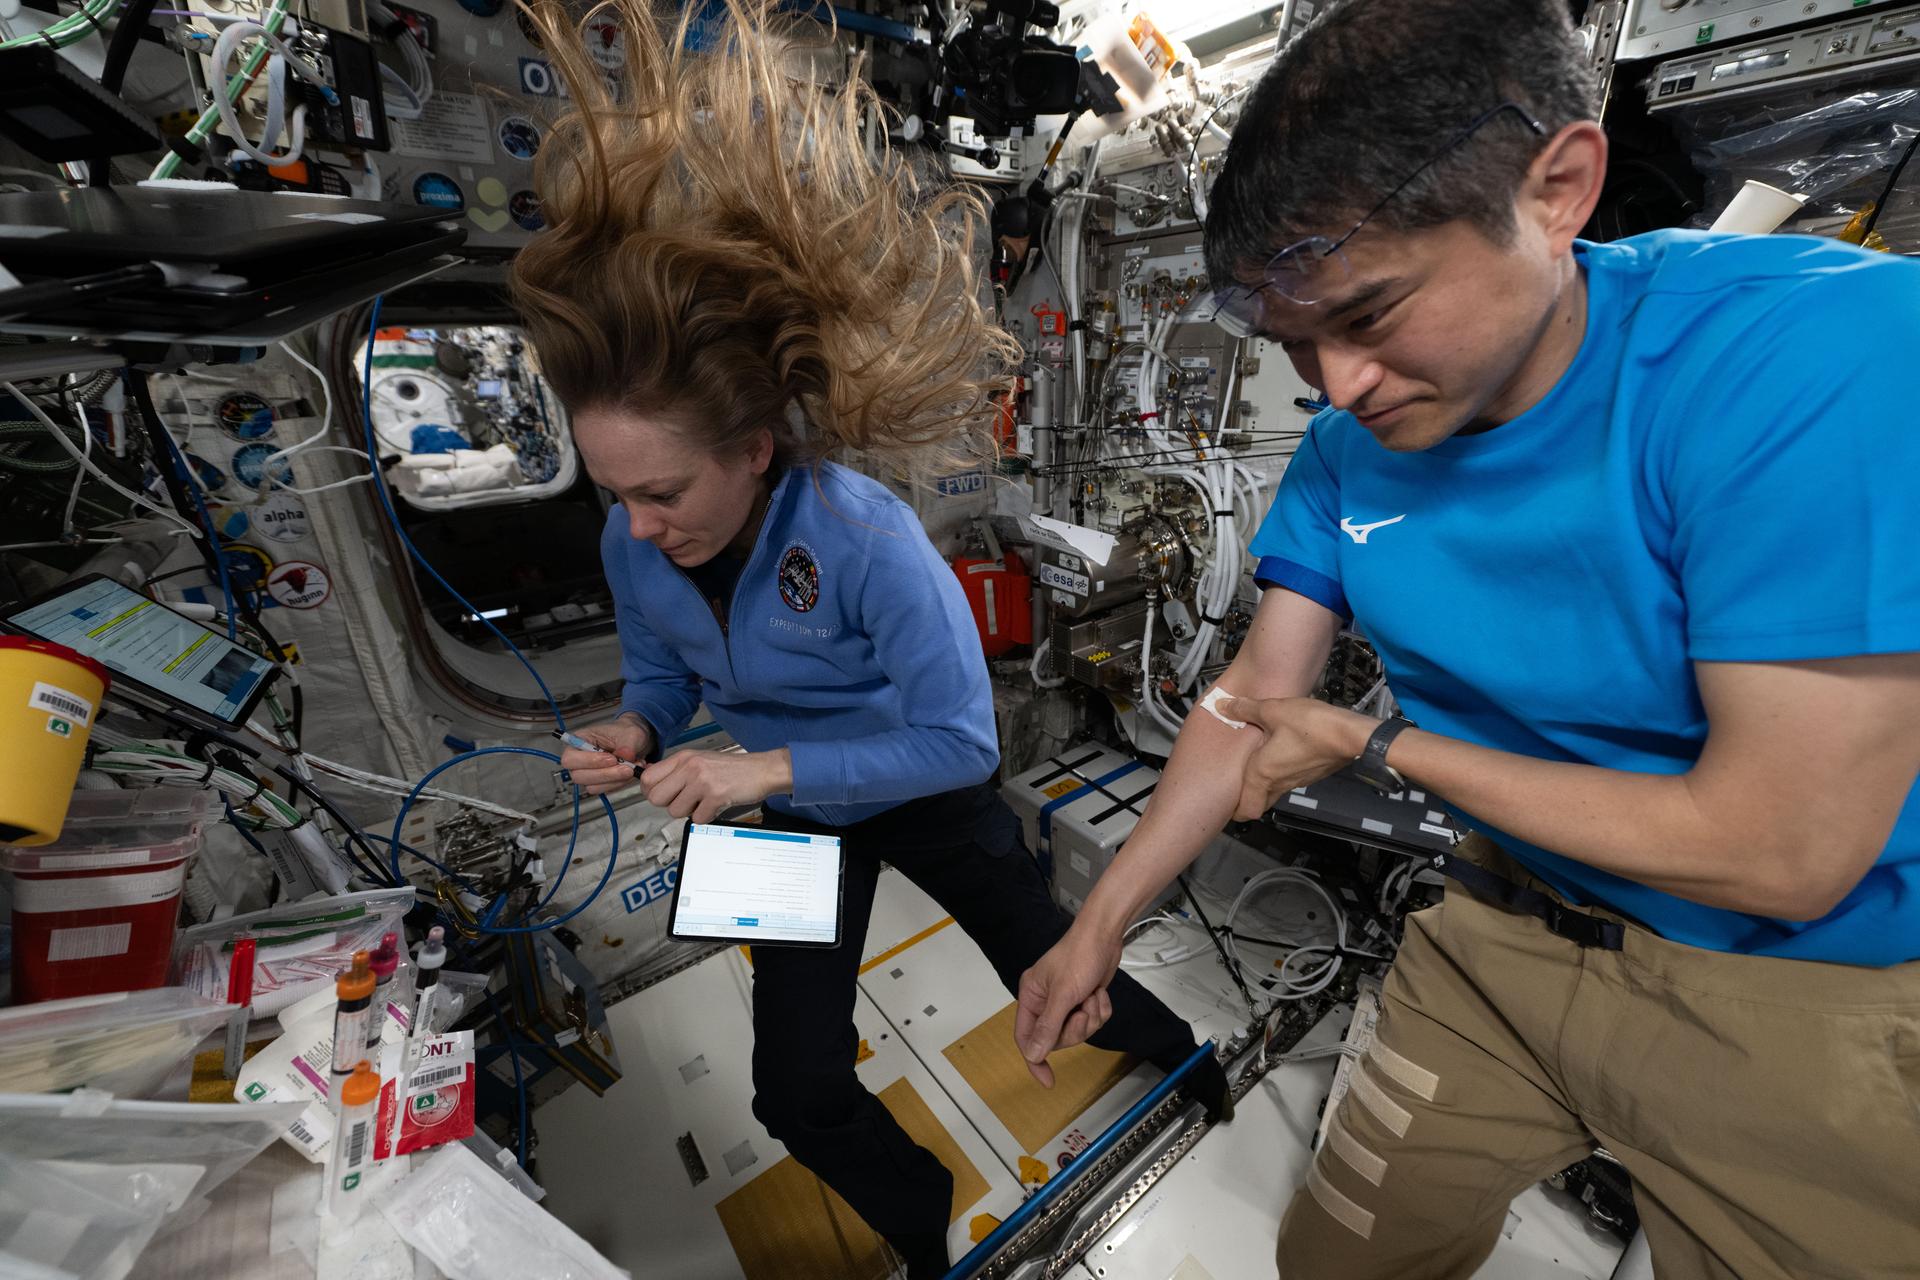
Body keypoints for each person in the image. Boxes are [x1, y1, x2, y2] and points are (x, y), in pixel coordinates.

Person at [1013, 1, 1920, 1276]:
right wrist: (1102, 918)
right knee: (1337, 1261)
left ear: (1557, 190)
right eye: (1296, 342)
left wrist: (1380, 745)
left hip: (1797, 991)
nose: (1335, 387)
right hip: (1505, 928)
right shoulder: (1347, 453)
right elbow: (1249, 699)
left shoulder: (1804, 357)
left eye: (1370, 315)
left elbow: (1780, 851)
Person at [506, 5, 1223, 1275]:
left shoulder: (864, 535)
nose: (638, 525)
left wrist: (763, 768)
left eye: (661, 491)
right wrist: (639, 724)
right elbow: (665, 670)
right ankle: (917, 1211)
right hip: (788, 817)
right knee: (793, 1088)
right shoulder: (633, 541)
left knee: (1060, 966)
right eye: (615, 494)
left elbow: (959, 742)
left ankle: (1180, 1053)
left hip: (919, 793)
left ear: (752, 448)